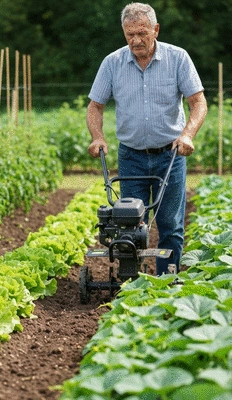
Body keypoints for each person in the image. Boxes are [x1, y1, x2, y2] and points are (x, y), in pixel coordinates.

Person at [86, 2, 207, 275]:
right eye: (129, 35)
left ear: (156, 29)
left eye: (142, 33)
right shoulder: (113, 63)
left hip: (170, 156)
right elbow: (95, 106)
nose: (136, 40)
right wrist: (97, 137)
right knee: (129, 224)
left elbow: (198, 102)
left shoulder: (178, 58)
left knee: (170, 226)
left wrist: (187, 134)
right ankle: (132, 285)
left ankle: (168, 281)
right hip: (131, 157)